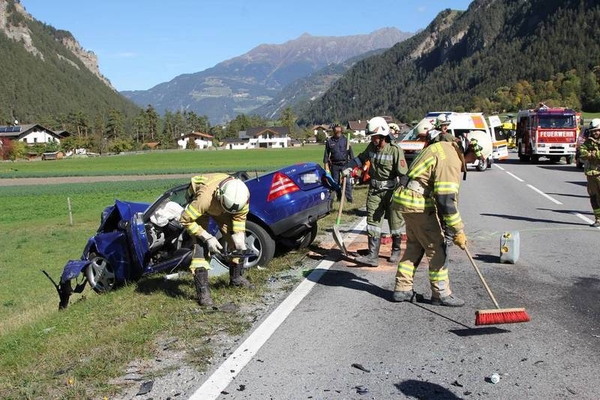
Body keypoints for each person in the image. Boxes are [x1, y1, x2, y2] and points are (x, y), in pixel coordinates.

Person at [391, 126, 467, 307]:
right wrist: (457, 231)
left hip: (405, 198)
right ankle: (441, 294)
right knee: (437, 248)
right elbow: (446, 201)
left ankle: (402, 289)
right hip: (418, 203)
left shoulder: (440, 147)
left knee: (415, 245)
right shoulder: (450, 159)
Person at [342, 116, 408, 266]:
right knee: (372, 222)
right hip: (374, 191)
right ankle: (372, 256)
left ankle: (396, 251)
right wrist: (349, 167)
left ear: (383, 134)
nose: (373, 140)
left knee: (395, 222)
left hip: (391, 192)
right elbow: (360, 158)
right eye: (372, 137)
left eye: (375, 137)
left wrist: (401, 190)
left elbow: (404, 175)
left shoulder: (395, 150)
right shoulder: (371, 147)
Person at [179, 173, 252, 306]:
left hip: (222, 206)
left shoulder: (243, 197)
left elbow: (239, 218)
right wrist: (207, 237)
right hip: (201, 205)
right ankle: (203, 294)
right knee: (201, 247)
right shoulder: (204, 199)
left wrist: (239, 237)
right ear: (219, 195)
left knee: (235, 242)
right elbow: (185, 220)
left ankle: (236, 278)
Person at [323, 124, 354, 202]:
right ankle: (339, 197)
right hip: (334, 165)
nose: (338, 133)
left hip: (345, 165)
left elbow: (351, 152)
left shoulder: (346, 140)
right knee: (335, 183)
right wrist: (326, 164)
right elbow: (326, 154)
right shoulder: (329, 142)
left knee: (347, 182)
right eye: (336, 131)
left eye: (339, 131)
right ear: (334, 131)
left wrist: (352, 163)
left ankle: (349, 199)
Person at [579, 118, 600, 227]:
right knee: (593, 197)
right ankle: (598, 219)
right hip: (591, 174)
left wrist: (593, 154)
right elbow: (582, 153)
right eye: (594, 131)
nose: (595, 133)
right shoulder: (588, 142)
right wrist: (591, 154)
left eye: (597, 130)